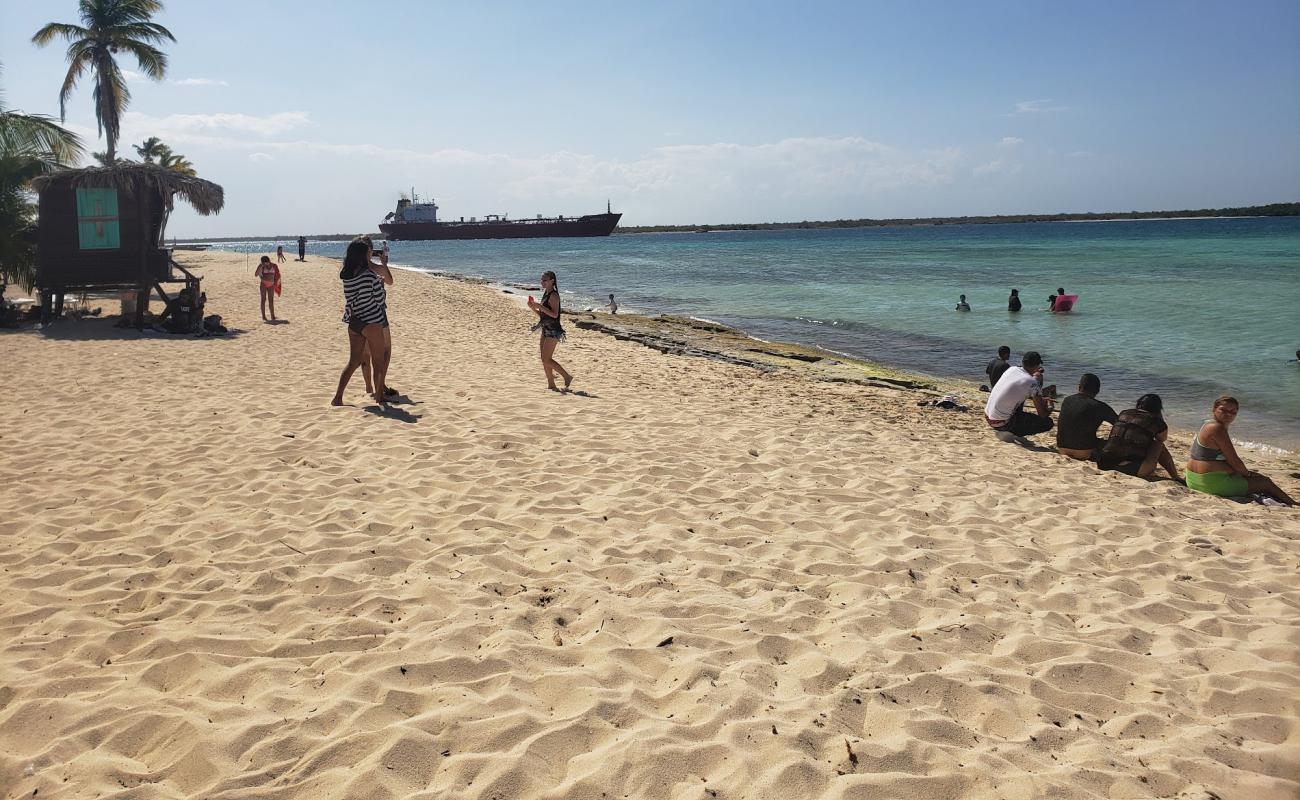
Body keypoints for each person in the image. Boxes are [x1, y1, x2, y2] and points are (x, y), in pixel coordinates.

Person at [1185, 396, 1294, 504]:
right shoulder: (1218, 428)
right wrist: (1248, 474)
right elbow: (1235, 461)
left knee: (1248, 477)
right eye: (1223, 410)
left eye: (1233, 411)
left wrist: (1241, 473)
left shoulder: (1208, 424)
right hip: (1209, 484)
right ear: (1214, 409)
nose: (1228, 414)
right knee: (1265, 482)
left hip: (1193, 479)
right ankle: (1295, 504)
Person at [332, 238, 393, 406]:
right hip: (372, 320)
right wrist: (380, 285)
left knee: (353, 361)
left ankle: (337, 397)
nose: (370, 255)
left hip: (354, 321)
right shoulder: (370, 275)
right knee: (378, 361)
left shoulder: (347, 276)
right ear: (362, 255)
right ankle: (379, 395)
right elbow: (379, 300)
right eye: (368, 252)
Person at [1095, 394, 1181, 480]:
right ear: (1158, 409)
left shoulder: (1124, 413)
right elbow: (1162, 439)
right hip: (1129, 469)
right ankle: (1175, 476)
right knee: (1158, 445)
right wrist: (1159, 418)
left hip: (1103, 463)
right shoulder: (1156, 421)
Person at [984, 350, 1053, 437]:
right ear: (1037, 366)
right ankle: (1013, 434)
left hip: (988, 416)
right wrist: (1050, 407)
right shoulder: (1032, 383)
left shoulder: (1011, 369)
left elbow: (1022, 382)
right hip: (1001, 424)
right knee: (1047, 423)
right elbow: (1042, 414)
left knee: (1020, 396)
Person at [528, 270, 572, 392]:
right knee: (544, 359)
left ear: (552, 281)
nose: (542, 282)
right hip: (545, 328)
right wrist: (533, 308)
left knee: (547, 359)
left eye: (545, 280)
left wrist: (540, 306)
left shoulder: (554, 295)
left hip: (554, 330)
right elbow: (543, 315)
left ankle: (567, 376)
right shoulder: (546, 293)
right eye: (541, 280)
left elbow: (554, 314)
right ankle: (551, 384)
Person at [1055, 373, 1117, 461]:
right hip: (1085, 451)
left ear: (1079, 386)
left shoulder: (1067, 400)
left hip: (1062, 448)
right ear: (1097, 391)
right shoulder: (1100, 406)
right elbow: (1118, 424)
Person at [254, 255, 280, 321]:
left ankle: (272, 316)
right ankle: (263, 316)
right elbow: (256, 274)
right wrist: (260, 266)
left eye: (264, 263)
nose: (264, 264)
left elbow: (277, 275)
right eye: (263, 263)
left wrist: (276, 284)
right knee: (263, 300)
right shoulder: (262, 266)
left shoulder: (274, 266)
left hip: (271, 285)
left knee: (271, 300)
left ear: (267, 261)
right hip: (263, 284)